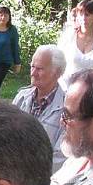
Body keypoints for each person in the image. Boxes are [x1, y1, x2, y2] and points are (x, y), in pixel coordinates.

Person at [12, 45, 67, 173]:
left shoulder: (67, 108)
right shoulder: (22, 97)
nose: (33, 73)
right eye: (32, 66)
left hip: (41, 178)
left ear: (57, 72)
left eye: (40, 69)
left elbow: (61, 156)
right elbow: (5, 134)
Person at [57, 0, 93, 89]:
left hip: (92, 91)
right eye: (80, 14)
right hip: (64, 89)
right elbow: (57, 61)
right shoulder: (68, 36)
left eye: (87, 14)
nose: (83, 18)